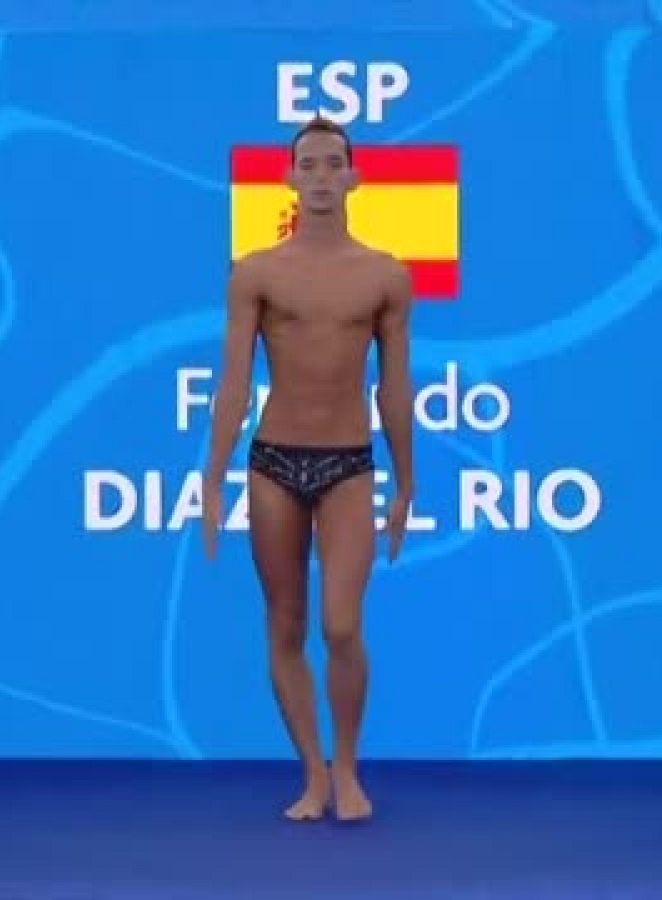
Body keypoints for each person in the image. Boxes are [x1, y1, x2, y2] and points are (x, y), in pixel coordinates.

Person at [201, 116, 414, 823]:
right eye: (309, 164)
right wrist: (211, 476)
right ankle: (314, 773)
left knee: (342, 626)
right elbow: (233, 383)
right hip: (273, 465)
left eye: (333, 164)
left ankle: (348, 766)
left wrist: (407, 481)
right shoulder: (256, 272)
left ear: (353, 177)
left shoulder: (386, 275)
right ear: (290, 178)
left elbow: (395, 387)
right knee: (285, 626)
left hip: (350, 465)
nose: (321, 176)